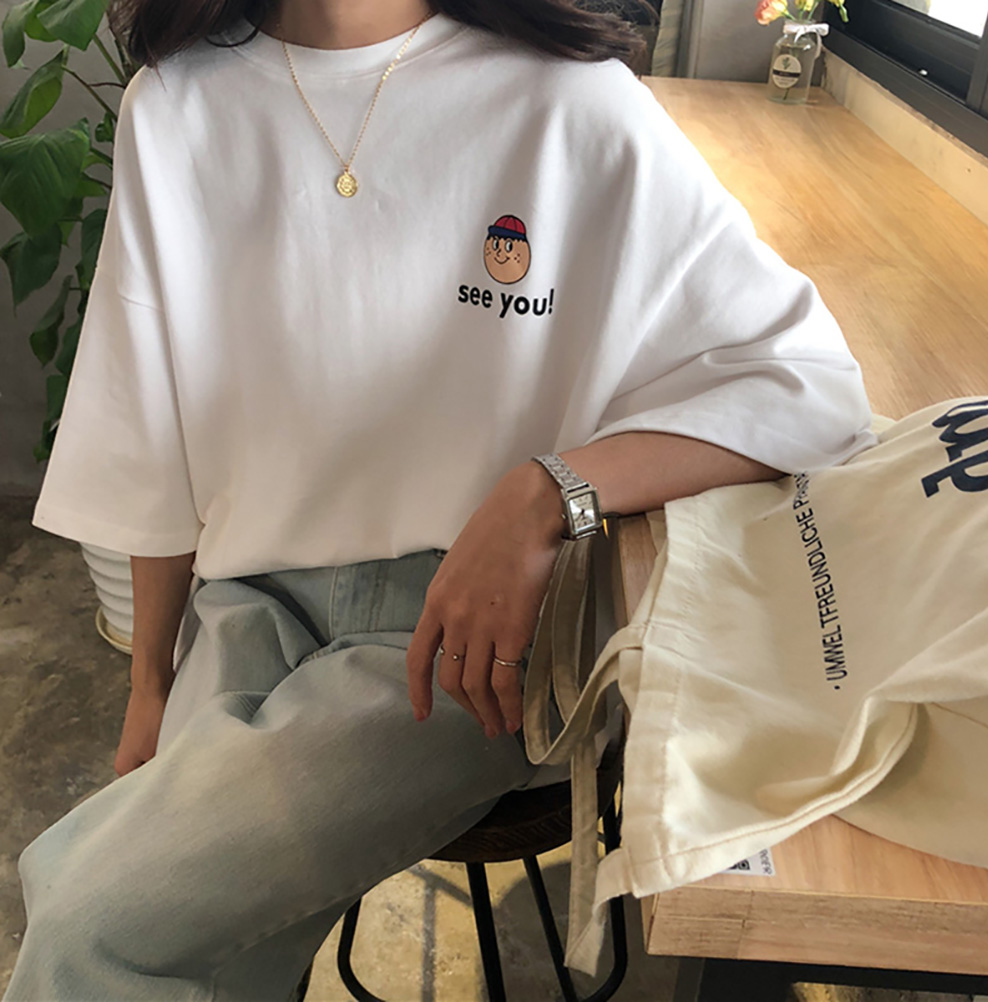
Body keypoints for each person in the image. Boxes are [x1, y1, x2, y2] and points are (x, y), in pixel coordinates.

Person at [4, 0, 876, 998]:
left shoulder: (570, 103)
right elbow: (152, 434)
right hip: (250, 606)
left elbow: (806, 385)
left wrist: (548, 491)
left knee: (91, 921)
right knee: (187, 941)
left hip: (472, 641)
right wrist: (150, 687)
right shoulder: (176, 105)